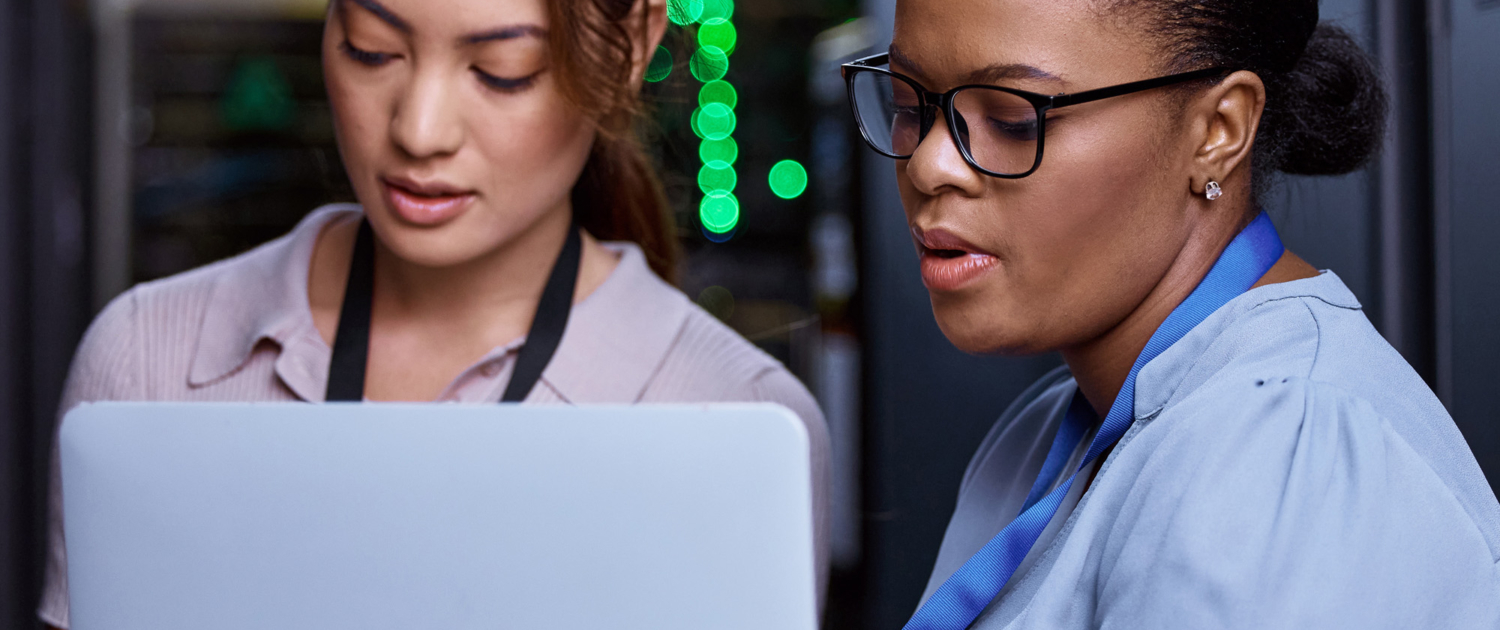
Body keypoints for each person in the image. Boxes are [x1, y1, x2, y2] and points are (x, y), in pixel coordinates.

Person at [39, 0, 830, 626]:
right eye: (372, 49)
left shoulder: (738, 421)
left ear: (631, 46)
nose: (419, 130)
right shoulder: (149, 358)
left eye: (502, 70)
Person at [843, 0, 1499, 627]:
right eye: (909, 103)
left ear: (1219, 130)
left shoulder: (1274, 460)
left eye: (1015, 118)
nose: (929, 164)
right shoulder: (1046, 432)